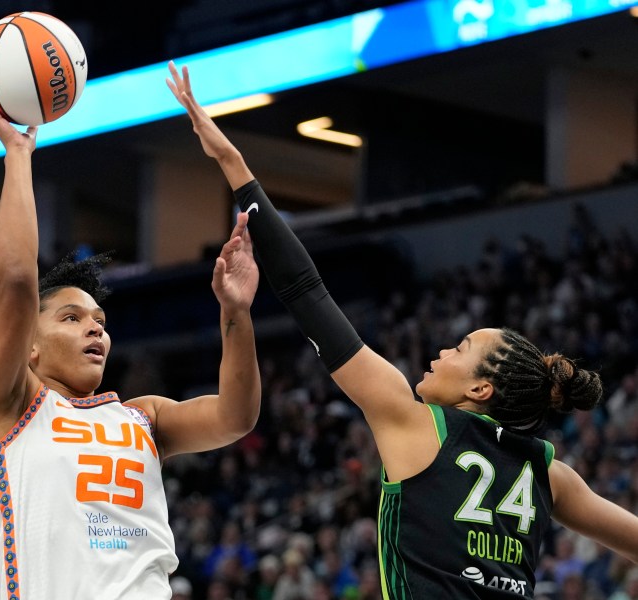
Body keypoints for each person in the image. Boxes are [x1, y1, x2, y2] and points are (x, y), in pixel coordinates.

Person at [167, 60, 638, 598]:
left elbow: (305, 290)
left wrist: (233, 165)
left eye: (461, 348)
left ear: (479, 389)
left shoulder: (417, 423)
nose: (441, 352)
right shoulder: (550, 473)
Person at [0, 78, 262, 600]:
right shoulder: (10, 407)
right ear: (29, 347)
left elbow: (235, 416)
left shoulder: (143, 416)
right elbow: (14, 283)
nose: (95, 327)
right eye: (72, 318)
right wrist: (18, 155)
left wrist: (235, 314)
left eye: (99, 319)